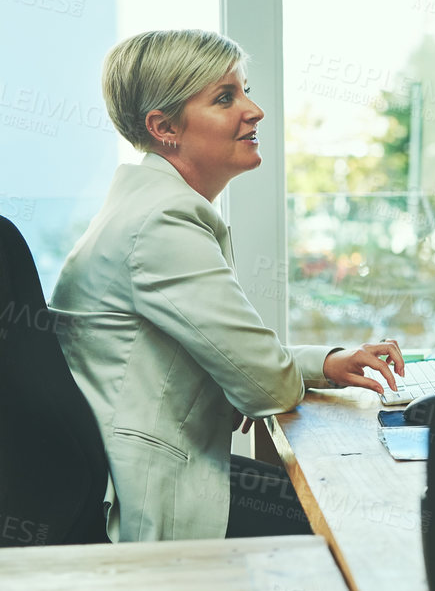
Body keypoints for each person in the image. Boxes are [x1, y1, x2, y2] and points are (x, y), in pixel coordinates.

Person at [49, 30, 407, 542]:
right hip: (152, 501)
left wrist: (323, 363)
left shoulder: (149, 206)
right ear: (165, 126)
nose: (254, 109)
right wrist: (249, 383)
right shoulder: (162, 223)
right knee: (360, 519)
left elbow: (240, 365)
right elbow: (266, 383)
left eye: (245, 90)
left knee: (337, 500)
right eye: (225, 97)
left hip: (148, 473)